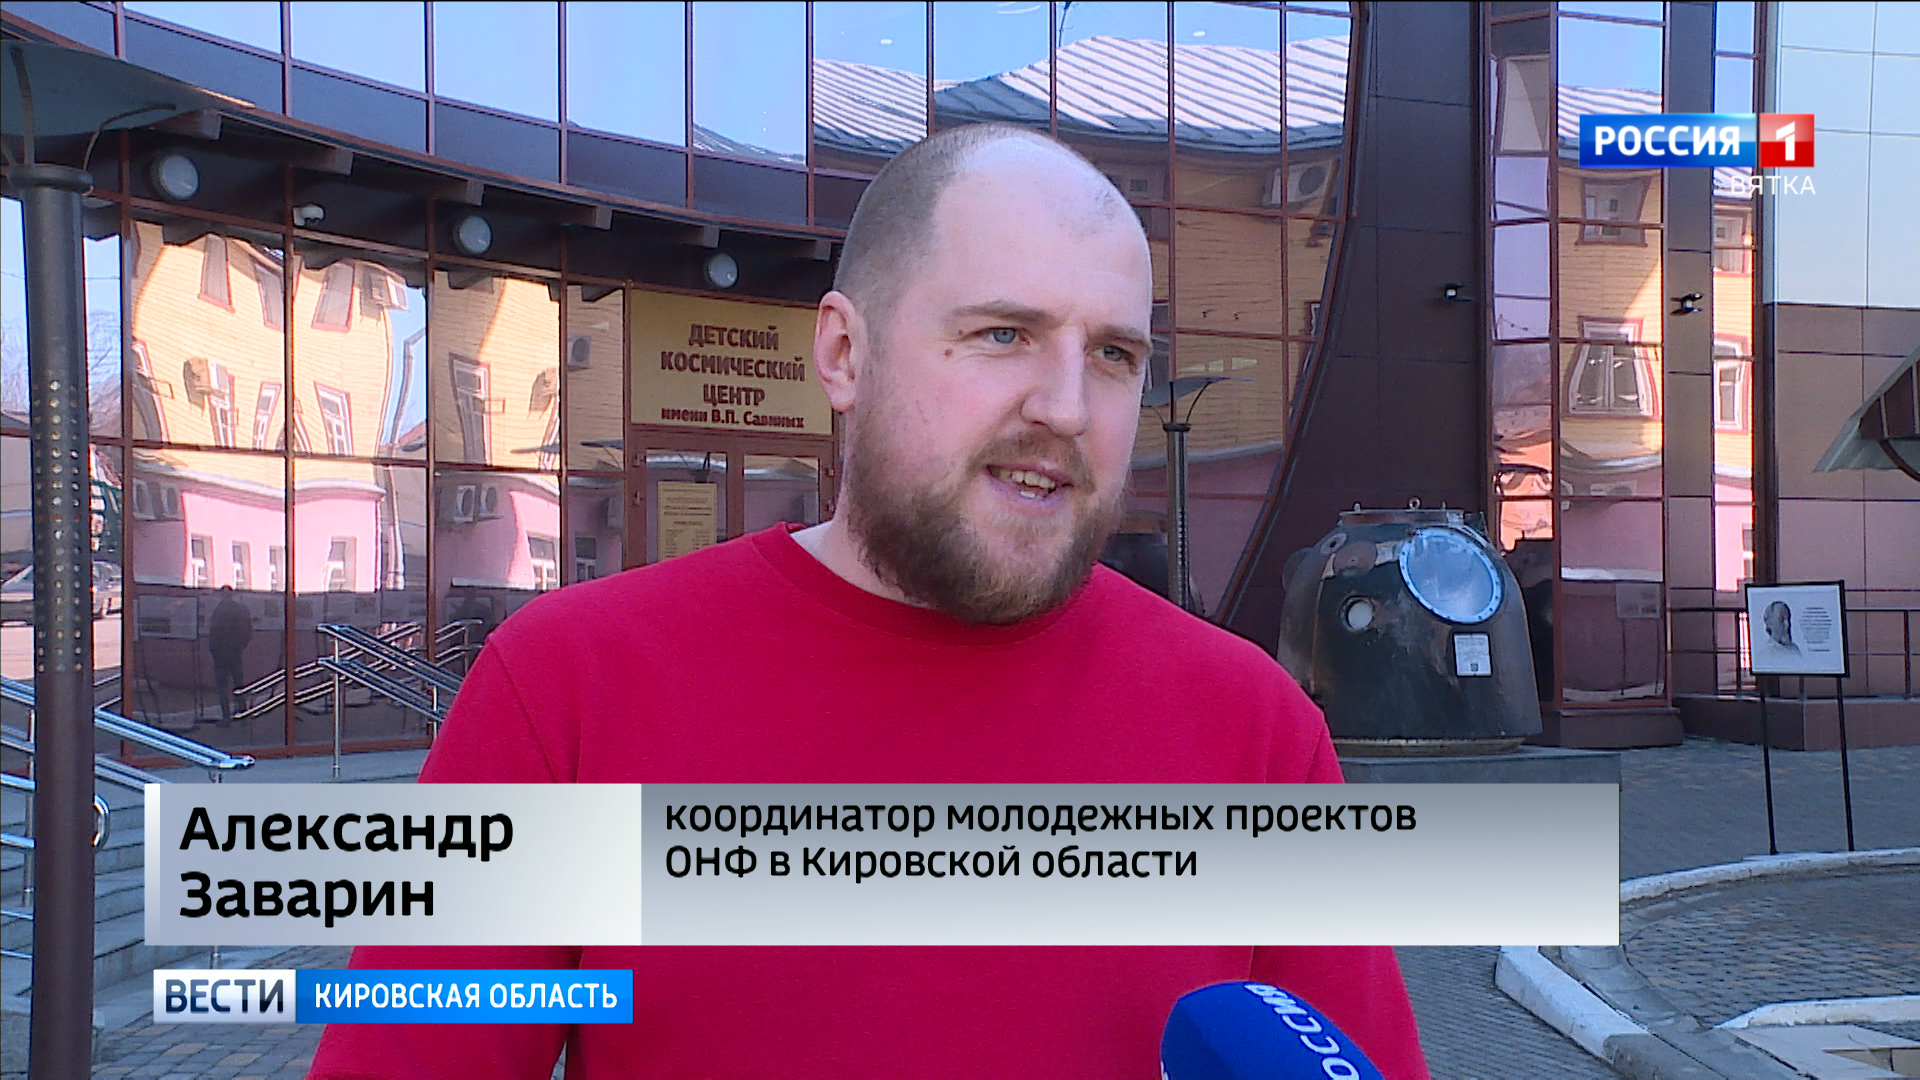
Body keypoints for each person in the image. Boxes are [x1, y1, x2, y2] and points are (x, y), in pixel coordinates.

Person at [311, 124, 1429, 1079]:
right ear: (845, 353)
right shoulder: (569, 687)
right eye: (1003, 334)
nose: (1066, 406)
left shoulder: (1256, 733)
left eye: (1114, 355)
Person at [205, 585, 252, 726]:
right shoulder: (241, 610)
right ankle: (242, 714)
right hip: (234, 653)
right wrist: (239, 647)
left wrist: (214, 649)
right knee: (238, 684)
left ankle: (226, 717)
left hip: (221, 654)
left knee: (222, 686)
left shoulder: (219, 610)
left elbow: (214, 633)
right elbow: (247, 632)